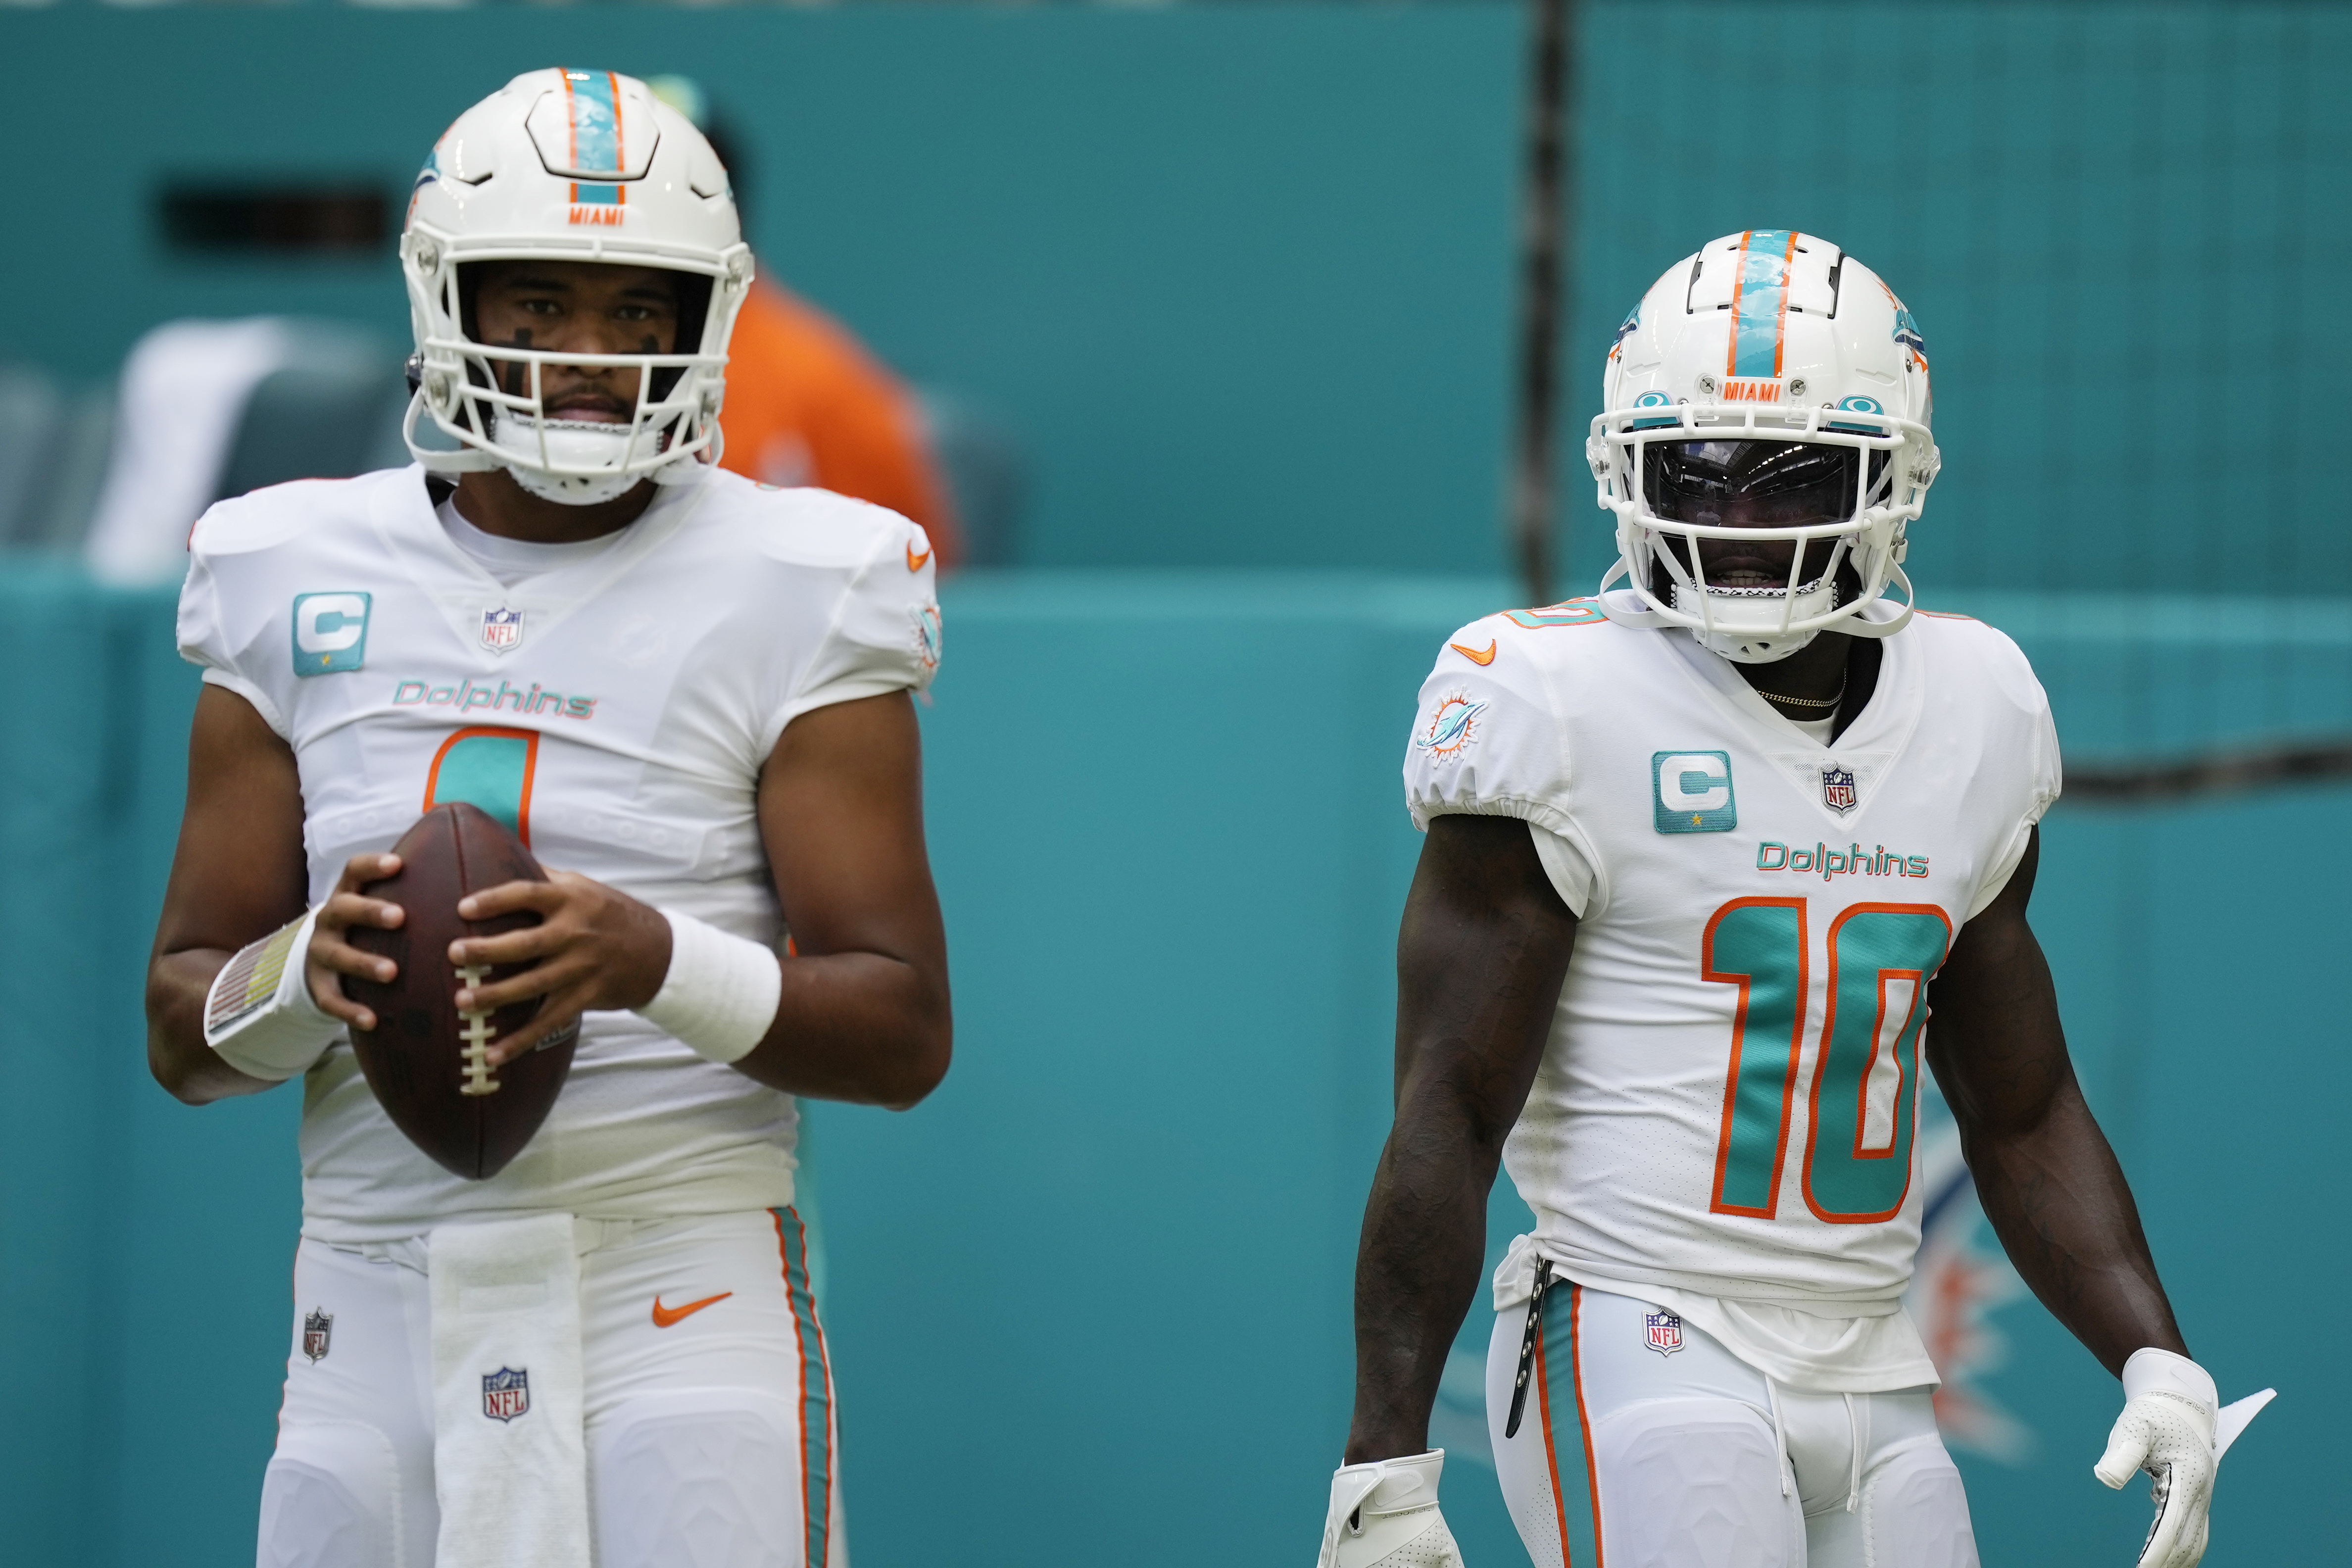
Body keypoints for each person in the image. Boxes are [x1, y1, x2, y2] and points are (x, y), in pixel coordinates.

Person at [1316, 232, 2268, 1568]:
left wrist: (2154, 1357)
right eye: (1697, 470)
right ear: (1623, 469)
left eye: (1795, 476)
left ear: (1900, 479)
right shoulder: (1550, 696)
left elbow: (2022, 1100)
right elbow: (1450, 1108)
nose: (1741, 520)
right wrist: (1385, 1462)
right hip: (1633, 1323)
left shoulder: (1978, 704)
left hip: (1877, 1362)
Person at [144, 68, 950, 1568]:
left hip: (681, 1287)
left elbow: (903, 1035)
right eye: (541, 303)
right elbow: (180, 1027)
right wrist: (307, 972)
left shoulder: (804, 577)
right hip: (366, 1288)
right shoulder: (281, 564)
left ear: (707, 317)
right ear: (446, 295)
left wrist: (650, 958)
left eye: (639, 310)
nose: (592, 355)